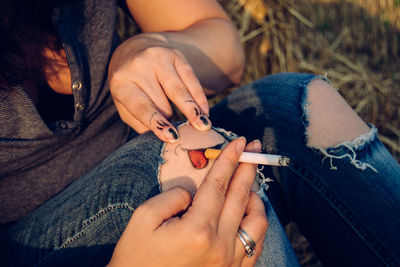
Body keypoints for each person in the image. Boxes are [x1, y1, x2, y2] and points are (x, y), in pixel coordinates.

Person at [0, 0, 399, 266]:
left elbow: (222, 46)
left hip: (137, 162)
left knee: (302, 106)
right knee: (205, 184)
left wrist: (147, 46)